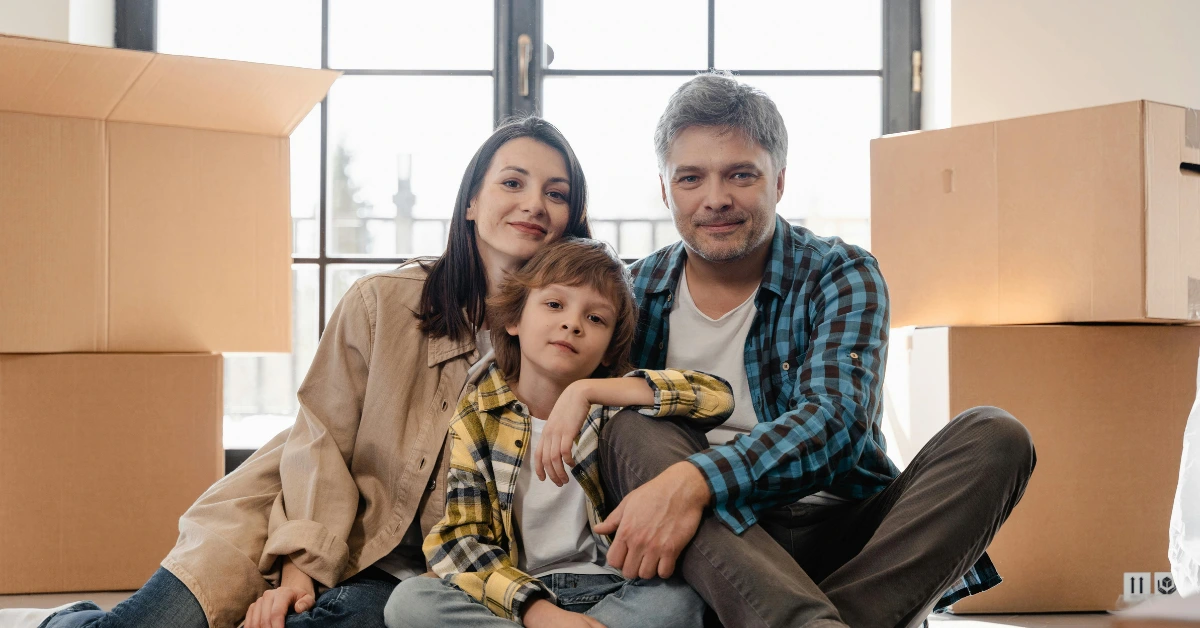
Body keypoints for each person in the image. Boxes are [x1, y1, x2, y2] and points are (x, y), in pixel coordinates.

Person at [3, 116, 592, 628]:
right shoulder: (382, 302)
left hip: (403, 571)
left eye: (556, 193)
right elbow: (320, 438)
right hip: (287, 510)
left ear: (571, 218)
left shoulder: (572, 335)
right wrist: (298, 565)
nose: (534, 204)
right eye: (512, 182)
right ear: (470, 201)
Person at [590, 72, 1038, 628]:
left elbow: (837, 423)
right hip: (717, 545)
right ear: (664, 189)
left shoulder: (840, 272)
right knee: (634, 426)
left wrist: (698, 478)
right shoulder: (633, 293)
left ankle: (801, 616)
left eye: (741, 174)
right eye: (690, 178)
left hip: (848, 531)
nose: (715, 199)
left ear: (778, 181)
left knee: (997, 436)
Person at [382, 238, 732, 628]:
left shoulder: (614, 408)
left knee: (681, 599)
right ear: (514, 320)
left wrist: (588, 391)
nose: (572, 323)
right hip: (516, 598)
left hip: (611, 589)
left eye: (595, 318)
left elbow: (716, 397)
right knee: (411, 601)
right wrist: (538, 612)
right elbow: (461, 538)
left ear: (608, 350)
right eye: (554, 305)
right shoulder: (479, 413)